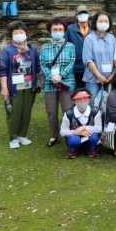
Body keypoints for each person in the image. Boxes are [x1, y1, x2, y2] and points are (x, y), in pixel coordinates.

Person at [0, 20, 40, 149]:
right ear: (11, 35)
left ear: (26, 33)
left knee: (26, 111)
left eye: (21, 32)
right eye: (16, 33)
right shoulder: (7, 51)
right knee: (14, 112)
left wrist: (37, 83)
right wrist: (4, 87)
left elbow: (37, 67)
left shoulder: (32, 49)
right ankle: (13, 137)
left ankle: (23, 135)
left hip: (29, 86)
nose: (19, 35)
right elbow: (3, 70)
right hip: (14, 87)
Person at [40, 18, 76, 148]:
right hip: (50, 84)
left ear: (64, 31)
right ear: (50, 31)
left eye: (60, 29)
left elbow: (71, 62)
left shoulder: (70, 46)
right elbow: (43, 64)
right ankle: (54, 134)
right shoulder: (45, 47)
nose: (58, 31)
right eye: (55, 29)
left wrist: (61, 75)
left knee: (68, 109)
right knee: (51, 111)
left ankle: (71, 133)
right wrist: (51, 76)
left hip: (67, 82)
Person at [82, 11, 116, 104]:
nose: (103, 23)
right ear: (95, 23)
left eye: (106, 21)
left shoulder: (112, 38)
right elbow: (88, 60)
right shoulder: (89, 38)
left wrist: (112, 75)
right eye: (101, 21)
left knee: (109, 104)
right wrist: (99, 76)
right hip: (93, 78)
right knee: (93, 103)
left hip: (110, 78)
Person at [60, 88, 102, 159]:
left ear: (89, 99)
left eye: (85, 98)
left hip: (89, 136)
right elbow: (63, 132)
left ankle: (92, 149)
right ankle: (73, 150)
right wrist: (77, 132)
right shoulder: (69, 113)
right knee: (74, 140)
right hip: (75, 137)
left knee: (94, 137)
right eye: (79, 99)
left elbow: (99, 128)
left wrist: (84, 127)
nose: (82, 101)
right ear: (74, 101)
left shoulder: (95, 111)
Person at [65, 5, 93, 88]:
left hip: (92, 67)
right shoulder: (69, 29)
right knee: (77, 94)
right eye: (80, 13)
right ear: (76, 16)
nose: (83, 15)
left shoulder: (94, 29)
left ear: (89, 15)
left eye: (85, 13)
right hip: (76, 67)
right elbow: (65, 47)